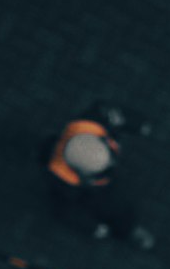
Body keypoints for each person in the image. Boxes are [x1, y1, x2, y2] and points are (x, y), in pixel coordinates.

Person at [42, 100, 154, 249]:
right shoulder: (61, 182)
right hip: (88, 190)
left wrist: (139, 124)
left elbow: (118, 115)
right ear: (81, 173)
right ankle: (128, 231)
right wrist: (92, 228)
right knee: (109, 203)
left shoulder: (92, 121)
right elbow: (64, 210)